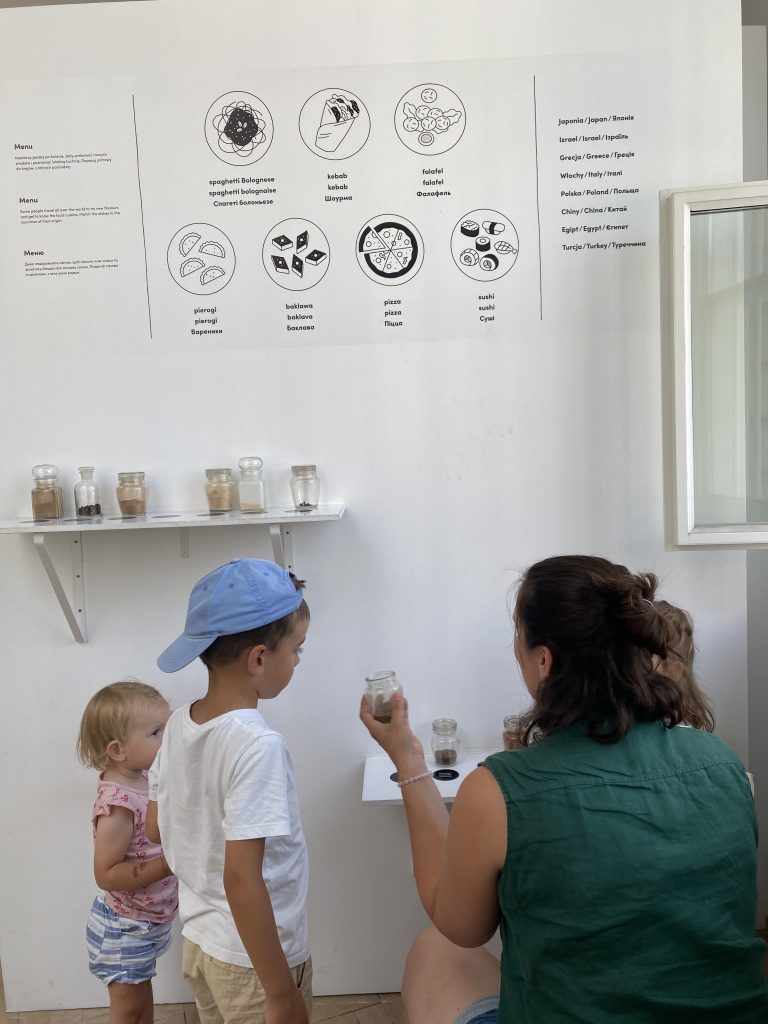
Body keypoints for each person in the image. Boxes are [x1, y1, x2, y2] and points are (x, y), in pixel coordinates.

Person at [360, 555, 768, 1023]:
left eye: (518, 633)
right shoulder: (722, 763)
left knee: (435, 951)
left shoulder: (497, 791)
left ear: (544, 660)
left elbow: (458, 926)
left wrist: (408, 760)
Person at [146, 558, 312, 1024]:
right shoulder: (257, 745)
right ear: (258, 658)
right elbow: (241, 879)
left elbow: (156, 828)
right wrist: (280, 993)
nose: (298, 660)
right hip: (255, 963)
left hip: (201, 944)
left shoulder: (178, 724)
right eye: (296, 649)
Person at [77, 680, 178, 1024]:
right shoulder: (117, 805)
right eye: (156, 732)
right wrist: (167, 864)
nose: (167, 738)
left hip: (147, 920)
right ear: (118, 750)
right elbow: (106, 873)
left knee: (142, 1001)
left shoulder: (146, 775)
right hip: (124, 926)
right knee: (129, 1009)